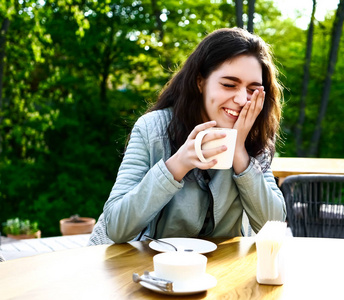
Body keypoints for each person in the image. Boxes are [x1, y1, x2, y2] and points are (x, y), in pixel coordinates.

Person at [89, 27, 286, 245]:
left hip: (223, 270)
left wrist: (239, 151)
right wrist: (177, 165)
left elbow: (273, 225)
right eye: (229, 85)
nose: (241, 99)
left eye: (252, 90)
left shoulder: (254, 137)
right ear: (200, 82)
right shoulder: (152, 128)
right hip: (153, 268)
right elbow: (116, 227)